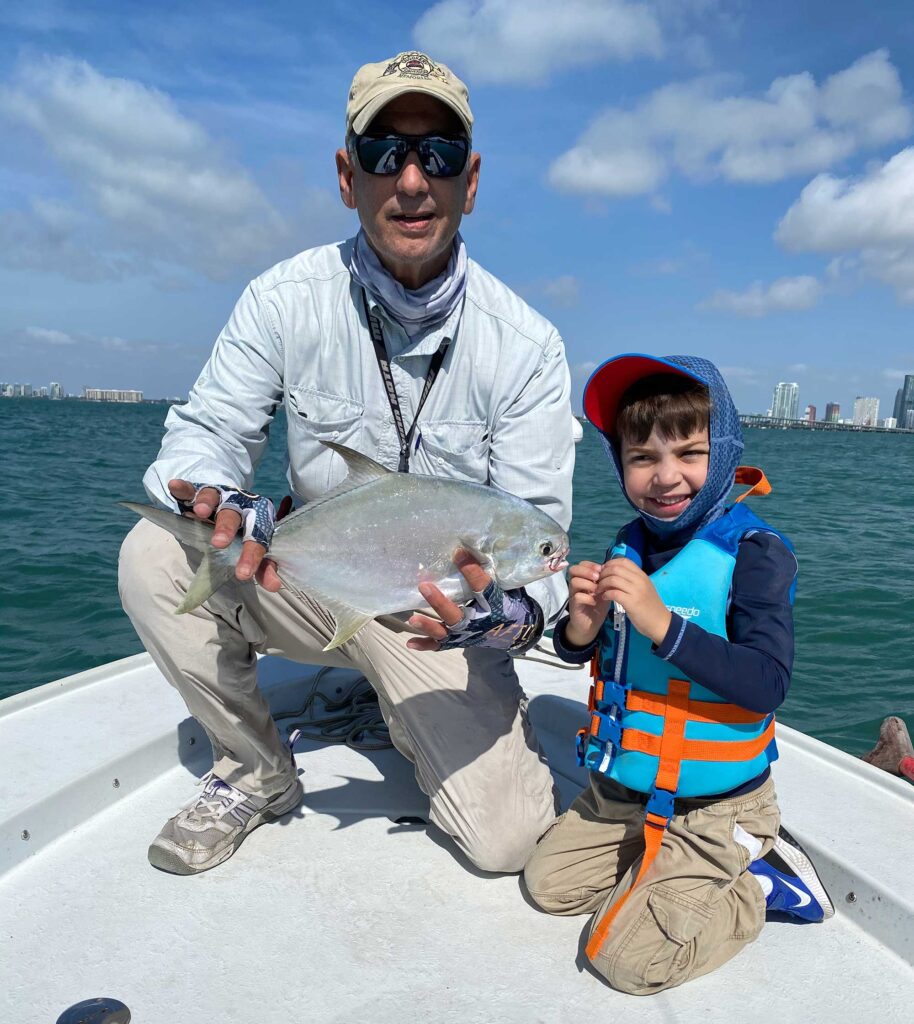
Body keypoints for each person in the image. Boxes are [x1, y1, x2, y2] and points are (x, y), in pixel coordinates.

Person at [118, 50, 574, 876]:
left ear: (469, 181)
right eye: (383, 153)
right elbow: (205, 435)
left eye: (436, 154)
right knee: (154, 552)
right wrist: (217, 499)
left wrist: (506, 618)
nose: (410, 180)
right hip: (305, 581)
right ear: (345, 174)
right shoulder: (282, 300)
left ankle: (394, 703)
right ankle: (256, 771)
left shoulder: (528, 347)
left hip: (438, 628)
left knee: (507, 844)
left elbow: (541, 547)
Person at [523, 354, 834, 995]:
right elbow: (593, 654)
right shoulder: (626, 544)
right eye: (642, 459)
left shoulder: (755, 554)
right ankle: (662, 875)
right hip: (627, 794)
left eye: (689, 453)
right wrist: (580, 626)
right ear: (621, 466)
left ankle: (756, 881)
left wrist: (662, 623)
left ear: (722, 452)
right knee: (545, 888)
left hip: (717, 804)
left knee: (626, 962)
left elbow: (767, 683)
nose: (666, 477)